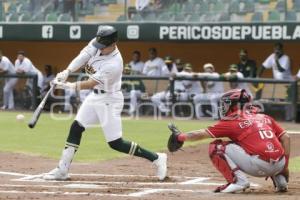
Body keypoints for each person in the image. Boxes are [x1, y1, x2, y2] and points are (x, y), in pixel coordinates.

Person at [42, 25, 167, 181]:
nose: (99, 48)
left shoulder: (114, 64)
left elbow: (89, 83)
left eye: (103, 47)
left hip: (109, 99)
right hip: (95, 97)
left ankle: (157, 157)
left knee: (116, 143)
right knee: (76, 127)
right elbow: (83, 56)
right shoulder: (97, 42)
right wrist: (67, 71)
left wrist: (68, 85)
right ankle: (62, 170)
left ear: (113, 44)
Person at [169, 89, 290, 193]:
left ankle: (238, 181)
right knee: (268, 145)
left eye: (226, 103)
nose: (223, 106)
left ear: (235, 105)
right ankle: (281, 181)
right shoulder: (263, 117)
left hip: (259, 166)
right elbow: (286, 138)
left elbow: (200, 134)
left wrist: (179, 137)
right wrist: (284, 167)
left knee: (216, 147)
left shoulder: (231, 121)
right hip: (280, 165)